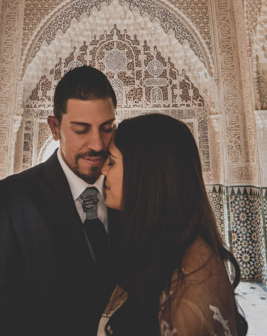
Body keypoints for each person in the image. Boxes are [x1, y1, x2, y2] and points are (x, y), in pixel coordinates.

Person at [0, 65, 121, 336]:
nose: (97, 144)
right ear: (54, 127)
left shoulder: (131, 194)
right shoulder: (9, 201)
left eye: (106, 128)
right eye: (81, 130)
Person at [99, 113, 248, 336]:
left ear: (145, 173)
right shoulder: (166, 249)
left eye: (111, 162)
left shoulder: (189, 290)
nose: (103, 170)